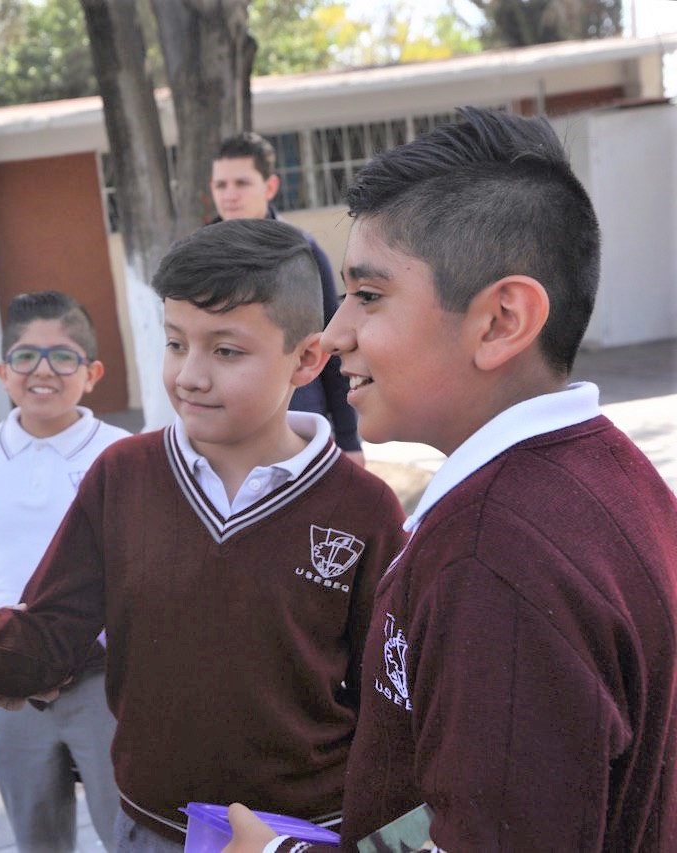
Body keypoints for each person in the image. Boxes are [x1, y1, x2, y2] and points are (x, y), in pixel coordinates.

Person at [0, 219, 407, 850]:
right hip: (153, 830)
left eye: (226, 350)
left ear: (307, 358)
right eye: (176, 344)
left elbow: (394, 706)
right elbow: (43, 646)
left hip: (309, 835)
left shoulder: (363, 508)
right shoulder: (123, 477)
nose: (190, 375)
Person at [226, 108, 677, 851]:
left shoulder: (493, 559)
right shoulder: (605, 468)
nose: (335, 334)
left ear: (502, 320)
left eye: (368, 296)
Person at [0, 291, 128, 852]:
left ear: (93, 373)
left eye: (64, 356)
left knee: (125, 828)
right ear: (3, 372)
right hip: (12, 679)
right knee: (36, 833)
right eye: (25, 357)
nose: (43, 371)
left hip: (104, 681)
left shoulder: (121, 455)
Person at [210, 133, 363, 465]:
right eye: (220, 185)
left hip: (300, 428)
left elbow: (331, 348)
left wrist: (350, 439)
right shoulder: (198, 262)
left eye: (241, 183)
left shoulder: (301, 254)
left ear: (270, 187)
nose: (230, 195)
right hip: (225, 432)